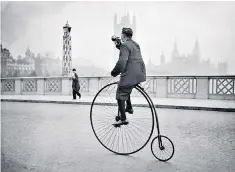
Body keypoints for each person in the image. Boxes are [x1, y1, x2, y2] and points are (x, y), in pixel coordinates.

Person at [111, 27, 146, 125]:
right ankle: (129, 107)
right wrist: (119, 44)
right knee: (127, 86)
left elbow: (122, 61)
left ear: (123, 35)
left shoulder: (125, 45)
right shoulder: (136, 45)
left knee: (120, 93)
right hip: (140, 74)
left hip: (130, 74)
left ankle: (123, 118)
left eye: (121, 35)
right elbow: (129, 51)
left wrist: (114, 72)